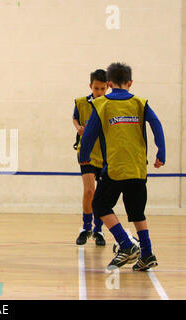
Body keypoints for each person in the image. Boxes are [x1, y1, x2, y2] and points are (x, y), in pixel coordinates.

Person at [79, 62, 166, 271]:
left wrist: (84, 156)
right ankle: (147, 253)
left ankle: (126, 245)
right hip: (138, 168)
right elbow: (157, 125)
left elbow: (90, 134)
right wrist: (161, 152)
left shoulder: (102, 104)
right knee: (137, 212)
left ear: (109, 84)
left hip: (116, 168)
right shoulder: (140, 102)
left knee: (100, 205)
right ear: (130, 82)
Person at [73, 69, 108, 246]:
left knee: (100, 195)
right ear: (90, 86)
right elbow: (75, 118)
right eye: (96, 88)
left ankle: (98, 230)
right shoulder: (80, 102)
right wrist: (78, 127)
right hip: (86, 153)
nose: (99, 92)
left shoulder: (110, 105)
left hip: (105, 156)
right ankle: (86, 227)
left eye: (103, 88)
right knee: (89, 191)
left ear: (108, 87)